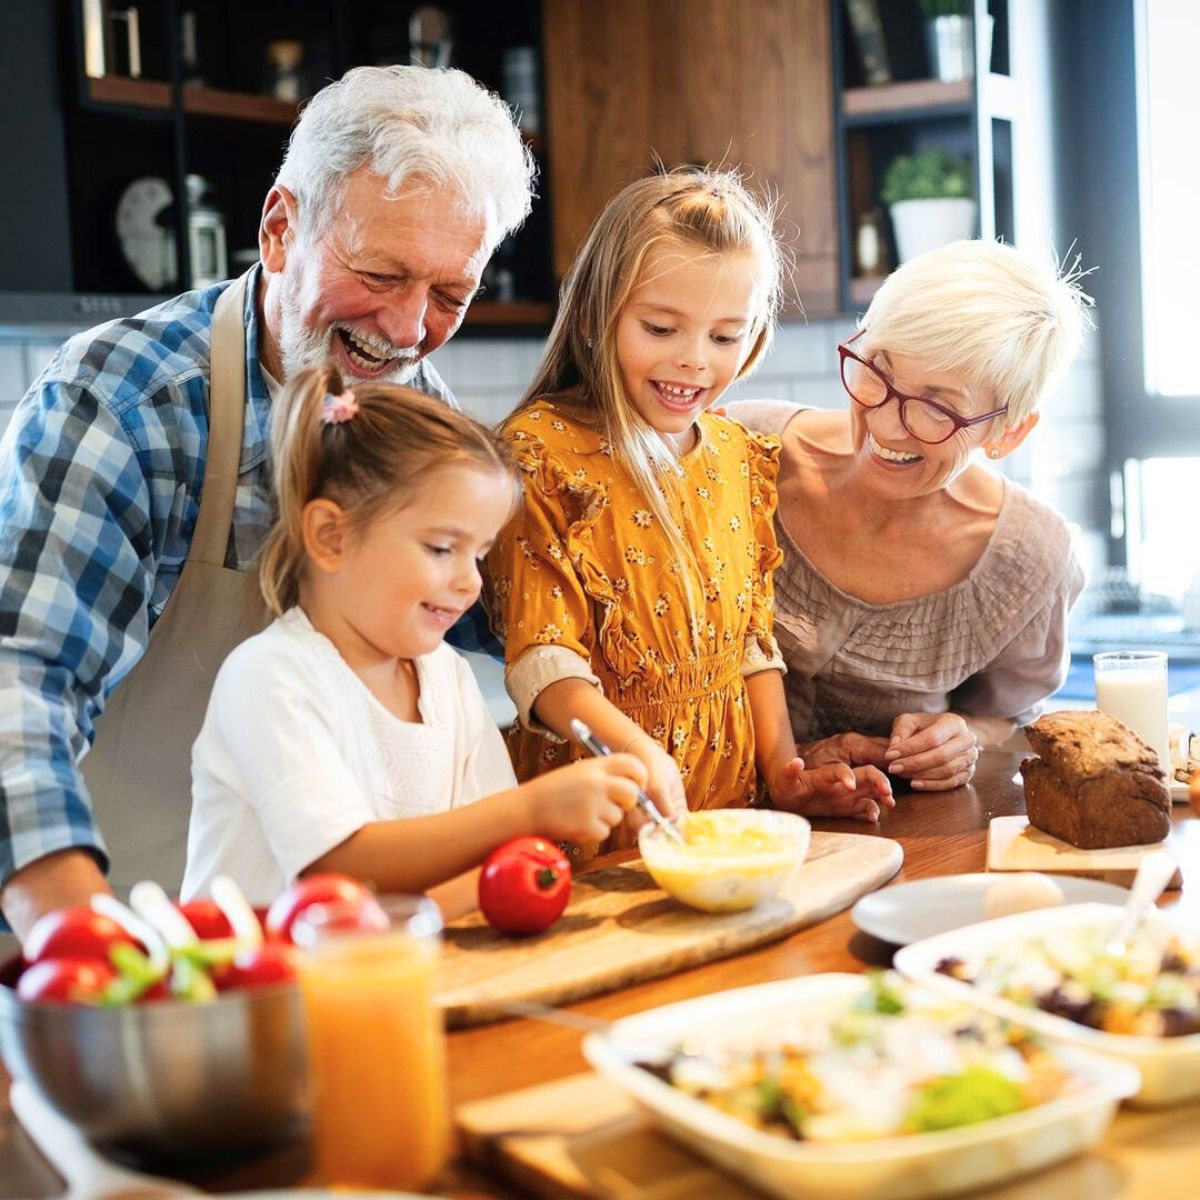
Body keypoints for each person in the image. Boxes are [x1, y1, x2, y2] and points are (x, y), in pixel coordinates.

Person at [0, 65, 536, 941]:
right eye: (381, 272)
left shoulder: (419, 415)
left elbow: (516, 621)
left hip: (333, 955)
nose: (406, 330)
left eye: (449, 294)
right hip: (114, 931)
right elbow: (17, 681)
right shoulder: (127, 402)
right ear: (281, 229)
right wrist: (76, 945)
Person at [485, 170, 893, 860]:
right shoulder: (540, 450)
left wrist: (783, 774)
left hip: (728, 818)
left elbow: (749, 644)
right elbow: (543, 662)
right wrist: (641, 755)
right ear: (594, 312)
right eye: (661, 327)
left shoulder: (740, 456)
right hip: (601, 824)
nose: (693, 360)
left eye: (726, 336)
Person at [183, 368, 645, 906]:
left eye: (478, 553)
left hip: (398, 972)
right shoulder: (270, 676)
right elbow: (337, 871)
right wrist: (533, 809)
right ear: (330, 537)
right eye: (441, 549)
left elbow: (487, 862)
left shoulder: (446, 676)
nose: (470, 580)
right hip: (261, 986)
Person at [726, 239, 1090, 792]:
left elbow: (1005, 716)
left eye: (937, 406)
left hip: (902, 850)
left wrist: (960, 737)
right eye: (878, 369)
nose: (888, 426)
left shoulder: (1030, 560)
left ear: (1008, 431)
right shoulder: (737, 452)